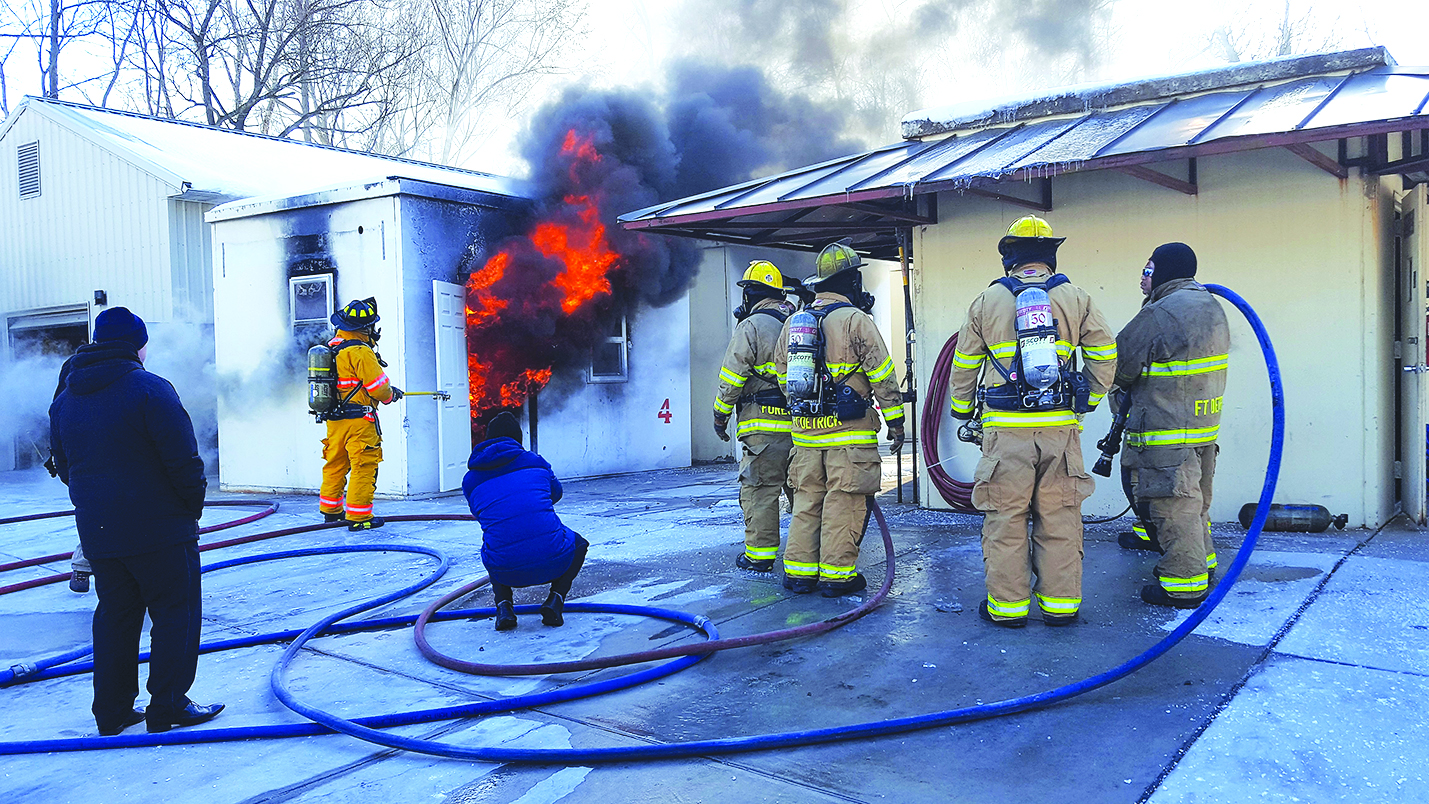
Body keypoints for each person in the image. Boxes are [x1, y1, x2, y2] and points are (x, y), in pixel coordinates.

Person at [48, 307, 224, 736]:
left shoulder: (66, 399)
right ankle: (167, 707)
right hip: (161, 529)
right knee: (175, 614)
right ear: (137, 345)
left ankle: (111, 713)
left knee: (116, 617)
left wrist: (97, 507)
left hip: (99, 532)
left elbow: (65, 466)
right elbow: (184, 461)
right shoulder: (150, 389)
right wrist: (190, 508)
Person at [948, 216, 1117, 627]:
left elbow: (964, 366)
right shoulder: (1076, 298)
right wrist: (1085, 404)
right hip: (1060, 430)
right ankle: (1061, 608)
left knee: (1006, 519)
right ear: (1050, 256)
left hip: (1005, 432)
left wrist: (963, 412)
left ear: (1009, 257)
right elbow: (1105, 357)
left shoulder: (987, 301)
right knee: (1060, 518)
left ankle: (1007, 609)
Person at [774, 241, 905, 597]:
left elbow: (783, 377)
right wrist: (895, 422)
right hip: (849, 436)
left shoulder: (794, 324)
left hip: (805, 437)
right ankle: (837, 577)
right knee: (843, 503)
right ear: (852, 281)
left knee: (806, 502)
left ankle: (799, 574)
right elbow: (883, 375)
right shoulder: (856, 321)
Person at [1113, 243, 1229, 608]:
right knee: (1195, 503)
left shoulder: (1160, 313)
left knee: (1172, 506)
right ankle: (1203, 562)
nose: (1142, 277)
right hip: (1203, 428)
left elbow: (1119, 366)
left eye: (1148, 270)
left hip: (1166, 431)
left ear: (1164, 271)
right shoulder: (1210, 304)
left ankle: (1183, 583)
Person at [462, 411, 588, 630]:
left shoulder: (470, 480)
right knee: (580, 544)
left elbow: (480, 513)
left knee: (494, 542)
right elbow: (556, 494)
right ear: (517, 439)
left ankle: (504, 608)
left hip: (505, 570)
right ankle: (555, 600)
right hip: (555, 560)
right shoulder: (536, 462)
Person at [714, 260, 797, 572]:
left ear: (750, 294)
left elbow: (732, 377)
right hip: (803, 427)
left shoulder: (751, 326)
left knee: (760, 491)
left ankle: (759, 557)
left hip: (763, 429)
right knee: (805, 494)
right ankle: (809, 556)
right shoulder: (800, 323)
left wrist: (720, 416)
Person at [318, 299, 402, 530]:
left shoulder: (331, 349)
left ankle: (331, 511)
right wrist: (390, 395)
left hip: (335, 420)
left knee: (335, 463)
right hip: (359, 421)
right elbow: (378, 388)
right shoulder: (360, 351)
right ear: (365, 328)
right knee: (363, 464)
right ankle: (359, 517)